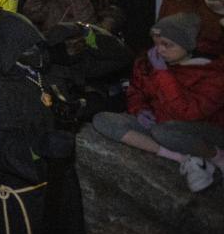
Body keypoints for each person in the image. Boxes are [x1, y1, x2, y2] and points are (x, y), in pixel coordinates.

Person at [0, 11, 89, 234]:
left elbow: (42, 108)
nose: (37, 52)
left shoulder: (35, 75)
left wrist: (63, 113)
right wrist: (37, 149)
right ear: (13, 49)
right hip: (18, 193)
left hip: (53, 186)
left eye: (37, 45)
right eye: (29, 47)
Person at [93, 13, 224, 192]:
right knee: (102, 120)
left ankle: (217, 157)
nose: (159, 50)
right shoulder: (147, 64)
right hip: (161, 124)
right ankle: (183, 159)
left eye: (167, 45)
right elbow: (136, 92)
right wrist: (140, 110)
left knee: (165, 132)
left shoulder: (210, 72)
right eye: (156, 43)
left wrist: (163, 74)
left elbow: (189, 113)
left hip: (200, 129)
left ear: (187, 45)